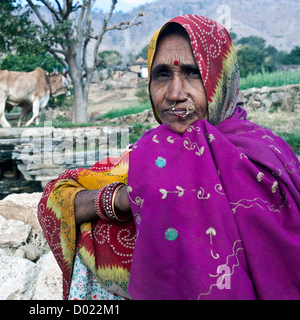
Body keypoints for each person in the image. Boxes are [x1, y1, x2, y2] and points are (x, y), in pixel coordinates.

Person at [37, 14, 300, 300]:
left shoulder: (264, 155)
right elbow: (58, 197)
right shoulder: (148, 156)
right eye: (162, 74)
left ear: (221, 79)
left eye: (193, 72)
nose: (174, 93)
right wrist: (125, 198)